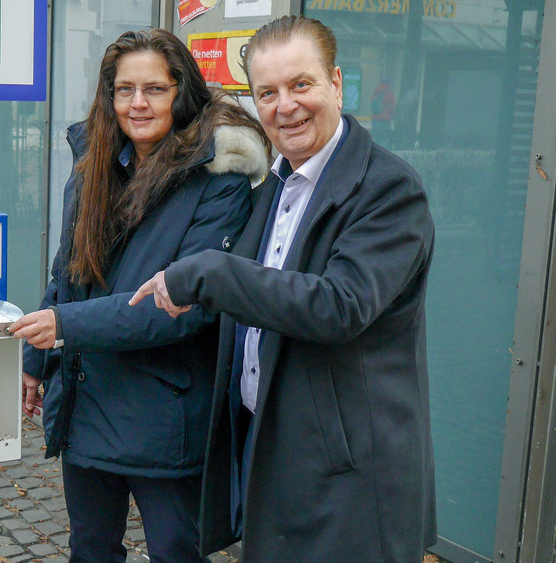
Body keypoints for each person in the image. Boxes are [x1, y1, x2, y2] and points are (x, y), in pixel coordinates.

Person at [130, 16, 436, 562]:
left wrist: (208, 274)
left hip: (350, 480)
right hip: (275, 449)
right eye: (267, 93)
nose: (285, 106)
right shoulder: (278, 180)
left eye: (300, 84)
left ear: (335, 83)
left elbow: (339, 305)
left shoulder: (389, 189)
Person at [9, 29, 269, 562]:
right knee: (91, 549)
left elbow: (184, 309)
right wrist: (36, 360)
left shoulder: (218, 179)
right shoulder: (94, 164)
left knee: (175, 552)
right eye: (124, 90)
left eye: (154, 89)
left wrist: (65, 326)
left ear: (182, 92)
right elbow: (68, 271)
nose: (138, 103)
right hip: (87, 401)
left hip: (164, 413)